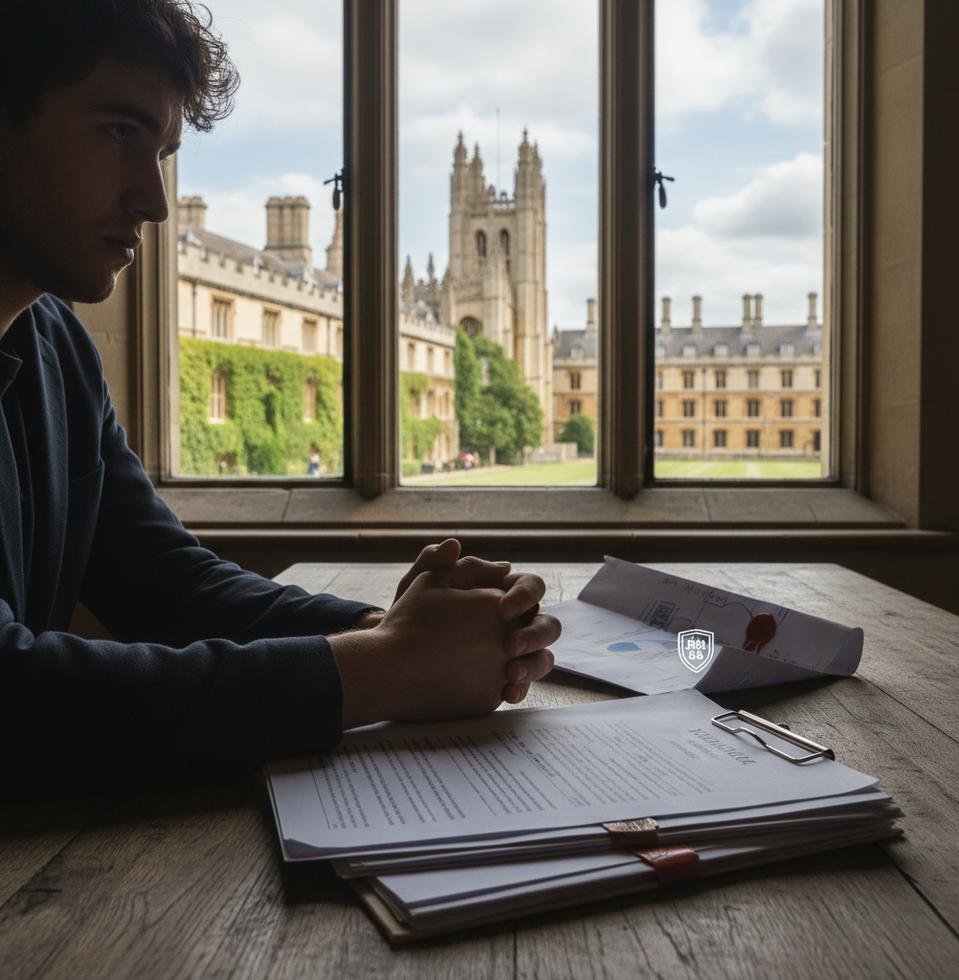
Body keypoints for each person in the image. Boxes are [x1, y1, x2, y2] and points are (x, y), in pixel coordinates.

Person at [0, 0, 560, 795]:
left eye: (163, 153)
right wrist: (386, 669)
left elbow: (167, 582)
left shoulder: (53, 342)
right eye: (119, 132)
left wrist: (390, 632)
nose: (154, 202)